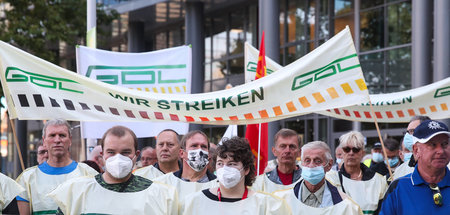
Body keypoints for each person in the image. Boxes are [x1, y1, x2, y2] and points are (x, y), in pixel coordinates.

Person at [48, 125, 178, 214]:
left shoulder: (161, 195)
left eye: (125, 152)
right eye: (111, 152)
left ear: (136, 155)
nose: (118, 158)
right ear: (102, 155)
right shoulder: (75, 192)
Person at [181, 137, 291, 214]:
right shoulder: (195, 201)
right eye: (220, 163)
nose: (225, 168)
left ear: (246, 169)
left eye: (232, 164)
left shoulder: (268, 205)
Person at [15, 119, 98, 215]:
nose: (57, 140)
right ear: (44, 141)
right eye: (52, 135)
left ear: (70, 140)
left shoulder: (89, 174)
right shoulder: (27, 179)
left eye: (62, 135)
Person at [380, 120, 450, 214]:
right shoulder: (399, 188)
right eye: (432, 145)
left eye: (445, 144)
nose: (440, 151)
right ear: (416, 150)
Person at [274, 141, 362, 214]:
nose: (311, 165)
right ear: (301, 163)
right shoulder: (280, 201)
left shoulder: (346, 206)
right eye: (307, 160)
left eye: (318, 161)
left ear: (329, 165)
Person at [326, 131, 388, 214]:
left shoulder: (379, 181)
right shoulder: (330, 180)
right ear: (342, 153)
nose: (351, 153)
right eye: (347, 149)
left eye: (356, 149)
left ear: (363, 153)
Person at [153, 130, 218, 201]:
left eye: (203, 146)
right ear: (181, 153)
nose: (199, 150)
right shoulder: (164, 184)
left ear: (208, 155)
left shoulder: (219, 185)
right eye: (194, 146)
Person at [252, 128, 302, 193]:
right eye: (283, 146)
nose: (287, 151)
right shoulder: (261, 183)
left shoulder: (307, 181)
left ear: (299, 152)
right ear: (274, 151)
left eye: (292, 146)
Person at [391, 115, 430, 180]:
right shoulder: (400, 170)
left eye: (412, 131)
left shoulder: (444, 164)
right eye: (407, 132)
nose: (408, 135)